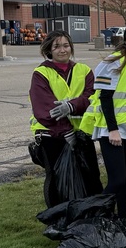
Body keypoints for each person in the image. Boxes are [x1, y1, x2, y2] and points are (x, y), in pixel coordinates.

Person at [80, 20, 126, 217]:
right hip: (112, 130)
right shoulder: (114, 60)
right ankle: (94, 217)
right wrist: (113, 129)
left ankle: (121, 220)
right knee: (117, 180)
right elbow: (105, 97)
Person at [28, 31, 101, 207]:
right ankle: (58, 216)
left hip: (81, 134)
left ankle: (89, 213)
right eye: (57, 46)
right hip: (52, 135)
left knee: (90, 175)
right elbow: (44, 107)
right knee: (57, 177)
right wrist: (65, 131)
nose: (62, 50)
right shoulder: (41, 73)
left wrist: (73, 105)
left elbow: (91, 95)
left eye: (66, 45)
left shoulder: (83, 71)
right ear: (49, 50)